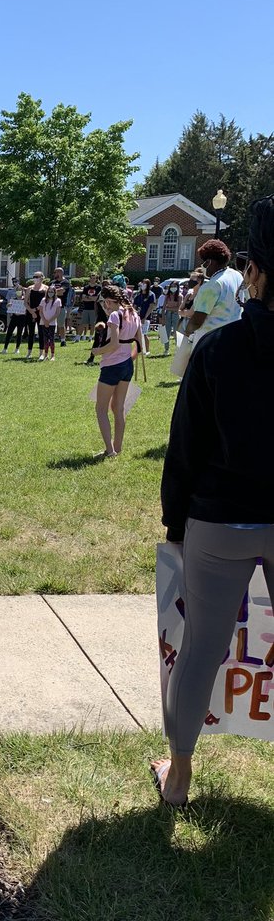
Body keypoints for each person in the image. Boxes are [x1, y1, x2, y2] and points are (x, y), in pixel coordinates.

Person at [153, 195, 274, 807]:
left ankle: (178, 774)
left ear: (252, 275)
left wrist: (175, 522)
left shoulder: (217, 353)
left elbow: (185, 452)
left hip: (220, 517)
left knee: (202, 645)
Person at [91, 283, 140, 457]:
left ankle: (109, 450)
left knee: (101, 409)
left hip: (112, 365)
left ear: (110, 301)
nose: (104, 306)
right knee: (118, 409)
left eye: (105, 302)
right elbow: (140, 343)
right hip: (127, 365)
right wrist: (129, 359)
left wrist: (97, 351)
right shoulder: (134, 313)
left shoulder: (114, 315)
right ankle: (117, 448)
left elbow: (114, 344)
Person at [186, 239, 243, 344]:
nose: (202, 265)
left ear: (209, 262)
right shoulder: (237, 275)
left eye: (204, 262)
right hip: (234, 338)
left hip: (211, 343)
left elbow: (197, 321)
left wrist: (186, 335)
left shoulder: (211, 286)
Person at [24, 272, 47, 359]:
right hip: (31, 312)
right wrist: (31, 311)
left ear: (42, 277)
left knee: (41, 332)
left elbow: (46, 302)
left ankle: (41, 353)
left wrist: (37, 309)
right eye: (34, 277)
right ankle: (29, 352)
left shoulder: (45, 288)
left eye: (37, 277)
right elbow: (25, 302)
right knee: (31, 333)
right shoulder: (30, 288)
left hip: (41, 312)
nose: (35, 278)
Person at [2, 283, 29, 354]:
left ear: (22, 291)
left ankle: (17, 349)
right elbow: (8, 307)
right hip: (14, 317)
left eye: (20, 290)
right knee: (9, 332)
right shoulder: (13, 299)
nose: (19, 292)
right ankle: (5, 348)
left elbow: (27, 308)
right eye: (17, 290)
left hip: (22, 318)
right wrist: (8, 305)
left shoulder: (25, 300)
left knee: (19, 333)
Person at [38, 285, 62, 361]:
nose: (50, 293)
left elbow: (57, 313)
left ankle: (52, 355)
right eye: (49, 291)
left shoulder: (58, 301)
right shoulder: (43, 300)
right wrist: (45, 321)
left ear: (55, 292)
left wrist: (49, 321)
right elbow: (40, 312)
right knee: (45, 339)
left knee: (51, 339)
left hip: (52, 323)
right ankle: (45, 355)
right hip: (43, 322)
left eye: (52, 292)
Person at [133, 279, 155, 355]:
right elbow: (134, 306)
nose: (143, 285)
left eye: (145, 284)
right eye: (142, 283)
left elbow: (151, 307)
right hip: (137, 317)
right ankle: (139, 349)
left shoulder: (151, 294)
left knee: (144, 334)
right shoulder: (138, 295)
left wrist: (145, 317)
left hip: (145, 318)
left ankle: (147, 350)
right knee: (137, 335)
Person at [78, 273, 102, 344]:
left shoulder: (98, 288)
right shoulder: (86, 287)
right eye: (91, 278)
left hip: (94, 308)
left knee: (92, 324)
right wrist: (91, 298)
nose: (92, 279)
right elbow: (83, 298)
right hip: (86, 308)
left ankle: (91, 337)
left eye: (94, 278)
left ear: (96, 279)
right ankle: (78, 337)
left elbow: (96, 299)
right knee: (83, 323)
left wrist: (88, 297)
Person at [160, 280, 182, 355]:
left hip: (176, 315)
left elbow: (178, 308)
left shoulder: (179, 296)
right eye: (172, 286)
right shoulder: (167, 296)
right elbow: (163, 307)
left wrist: (168, 308)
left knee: (176, 332)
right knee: (167, 332)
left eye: (175, 286)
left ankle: (178, 349)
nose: (173, 288)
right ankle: (166, 349)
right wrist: (163, 316)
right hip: (168, 315)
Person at [51, 266, 71, 346]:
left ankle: (63, 340)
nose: (54, 274)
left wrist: (51, 292)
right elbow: (49, 292)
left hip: (61, 306)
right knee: (51, 323)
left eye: (56, 272)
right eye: (54, 272)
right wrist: (56, 292)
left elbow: (62, 292)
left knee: (61, 324)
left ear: (61, 273)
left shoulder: (65, 282)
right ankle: (50, 339)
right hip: (51, 306)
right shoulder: (52, 282)